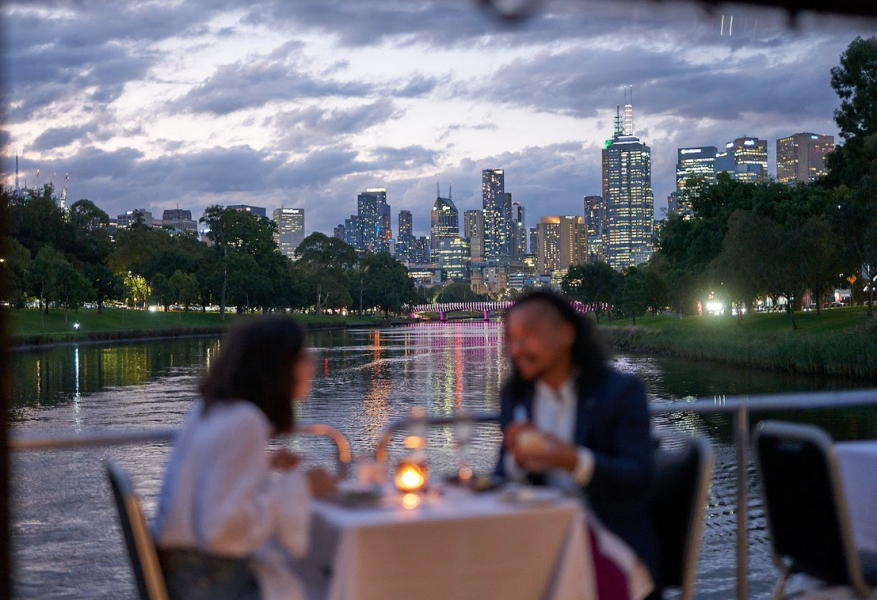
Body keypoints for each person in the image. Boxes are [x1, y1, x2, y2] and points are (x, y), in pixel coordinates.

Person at [153, 316, 337, 600]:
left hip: (183, 572)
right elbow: (222, 532)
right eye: (303, 357)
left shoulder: (209, 410)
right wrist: (302, 486)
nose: (311, 366)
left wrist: (265, 462)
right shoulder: (245, 421)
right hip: (211, 581)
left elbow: (208, 481)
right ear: (279, 367)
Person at [495, 290, 660, 595]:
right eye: (511, 338)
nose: (516, 349)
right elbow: (500, 479)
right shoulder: (516, 396)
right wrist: (515, 460)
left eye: (527, 336)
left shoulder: (621, 392)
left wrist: (573, 461)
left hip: (610, 539)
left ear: (566, 334)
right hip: (537, 540)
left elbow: (639, 476)